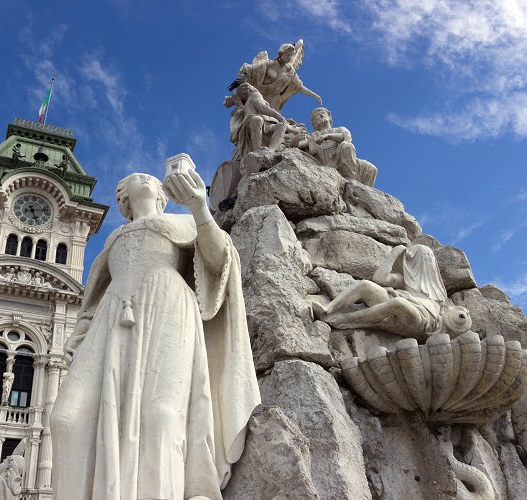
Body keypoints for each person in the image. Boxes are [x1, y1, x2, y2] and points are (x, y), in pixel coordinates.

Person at [50, 168, 260, 499]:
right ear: (123, 196)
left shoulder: (184, 221)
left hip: (167, 305)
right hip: (112, 314)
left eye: (151, 178)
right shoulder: (113, 239)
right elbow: (93, 298)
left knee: (161, 418)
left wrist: (199, 207)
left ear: (162, 195)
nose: (147, 178)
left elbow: (220, 260)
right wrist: (80, 330)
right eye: (138, 176)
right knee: (66, 418)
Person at [313, 244, 472, 340]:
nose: (426, 261)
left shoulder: (439, 294)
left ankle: (343, 319)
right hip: (395, 303)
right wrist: (395, 253)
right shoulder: (404, 281)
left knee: (398, 303)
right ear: (411, 260)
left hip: (421, 322)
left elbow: (450, 323)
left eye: (429, 257)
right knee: (365, 285)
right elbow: (380, 279)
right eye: (422, 257)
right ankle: (329, 309)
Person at [293, 107, 377, 186]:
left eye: (323, 113)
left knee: (371, 169)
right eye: (317, 116)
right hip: (331, 164)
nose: (321, 116)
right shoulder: (313, 136)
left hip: (348, 162)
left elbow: (346, 138)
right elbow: (299, 145)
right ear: (315, 123)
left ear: (329, 115)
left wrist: (328, 136)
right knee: (345, 145)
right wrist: (296, 140)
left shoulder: (340, 129)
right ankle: (349, 179)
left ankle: (360, 194)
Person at [234, 40, 322, 111]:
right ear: (281, 54)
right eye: (287, 55)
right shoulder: (267, 64)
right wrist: (240, 84)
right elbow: (247, 69)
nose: (289, 57)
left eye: (291, 55)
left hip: (273, 102)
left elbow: (299, 87)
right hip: (257, 97)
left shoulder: (290, 72)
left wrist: (315, 96)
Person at [225, 83, 299, 160]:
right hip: (250, 123)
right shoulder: (254, 95)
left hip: (264, 124)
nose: (254, 87)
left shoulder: (251, 98)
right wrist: (280, 117)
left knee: (281, 126)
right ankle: (258, 151)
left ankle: (271, 151)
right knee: (257, 119)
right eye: (252, 86)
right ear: (249, 89)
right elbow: (263, 108)